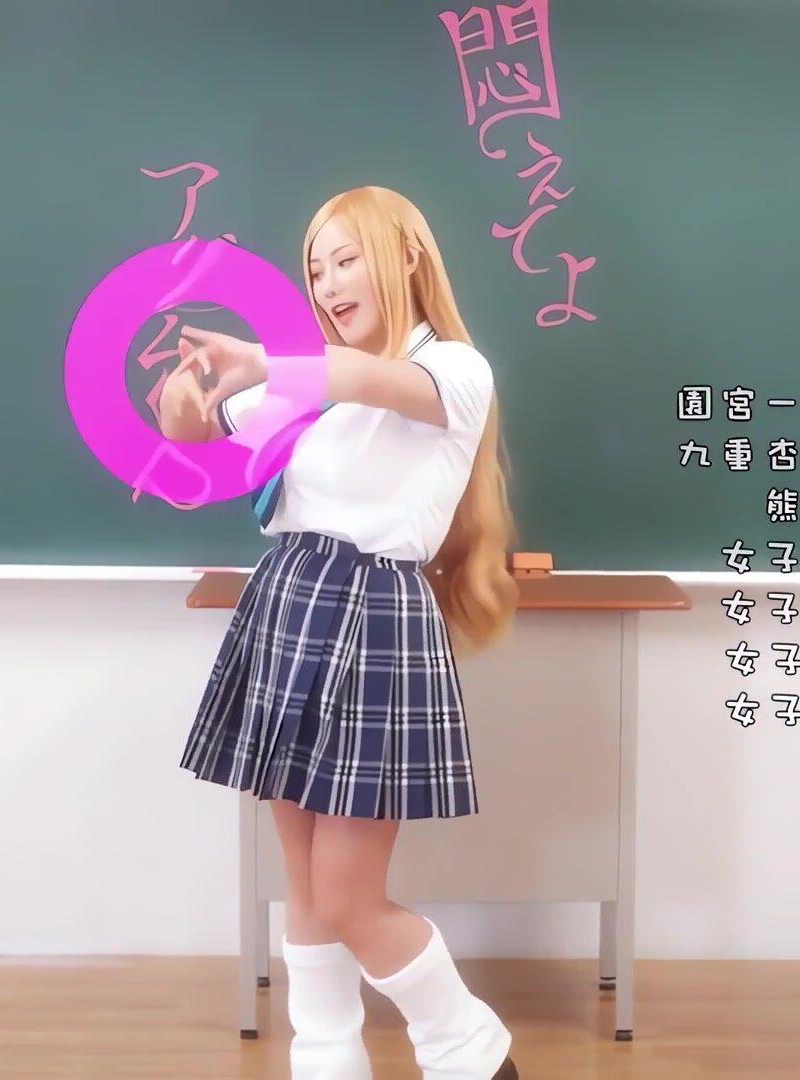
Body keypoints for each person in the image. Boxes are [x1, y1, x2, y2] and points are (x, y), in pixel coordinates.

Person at [157, 186, 521, 1080]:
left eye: (345, 260)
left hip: (372, 617)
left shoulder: (454, 369)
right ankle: (325, 1064)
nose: (326, 284)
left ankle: (472, 1052)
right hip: (288, 599)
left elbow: (369, 380)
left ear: (407, 257)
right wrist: (184, 390)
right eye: (316, 269)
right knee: (307, 885)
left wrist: (264, 363)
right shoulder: (306, 388)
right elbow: (192, 429)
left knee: (350, 896)